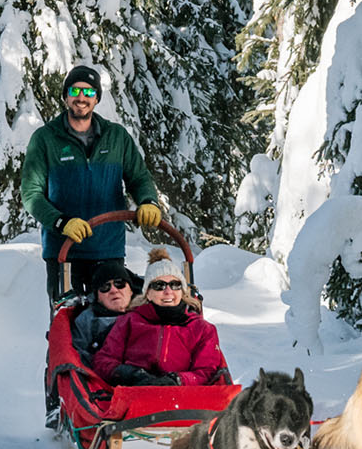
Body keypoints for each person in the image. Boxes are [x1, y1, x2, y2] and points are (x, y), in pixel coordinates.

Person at [20, 65, 163, 304]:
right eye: (75, 91)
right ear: (66, 96)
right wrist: (61, 222)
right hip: (64, 253)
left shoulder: (116, 137)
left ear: (97, 98)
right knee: (67, 325)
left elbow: (138, 178)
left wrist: (148, 201)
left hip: (108, 251)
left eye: (88, 93)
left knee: (113, 324)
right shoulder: (45, 139)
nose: (81, 98)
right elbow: (31, 194)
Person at [93, 250, 230, 388]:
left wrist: (178, 379)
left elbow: (207, 371)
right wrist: (129, 374)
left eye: (175, 285)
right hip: (134, 394)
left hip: (185, 399)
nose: (168, 291)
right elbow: (104, 361)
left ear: (182, 291)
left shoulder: (201, 329)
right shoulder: (129, 321)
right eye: (159, 286)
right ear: (148, 293)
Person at [71, 261, 139, 363]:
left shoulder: (148, 313)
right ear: (98, 297)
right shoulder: (86, 321)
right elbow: (79, 361)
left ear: (131, 290)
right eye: (105, 287)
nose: (113, 290)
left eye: (119, 283)